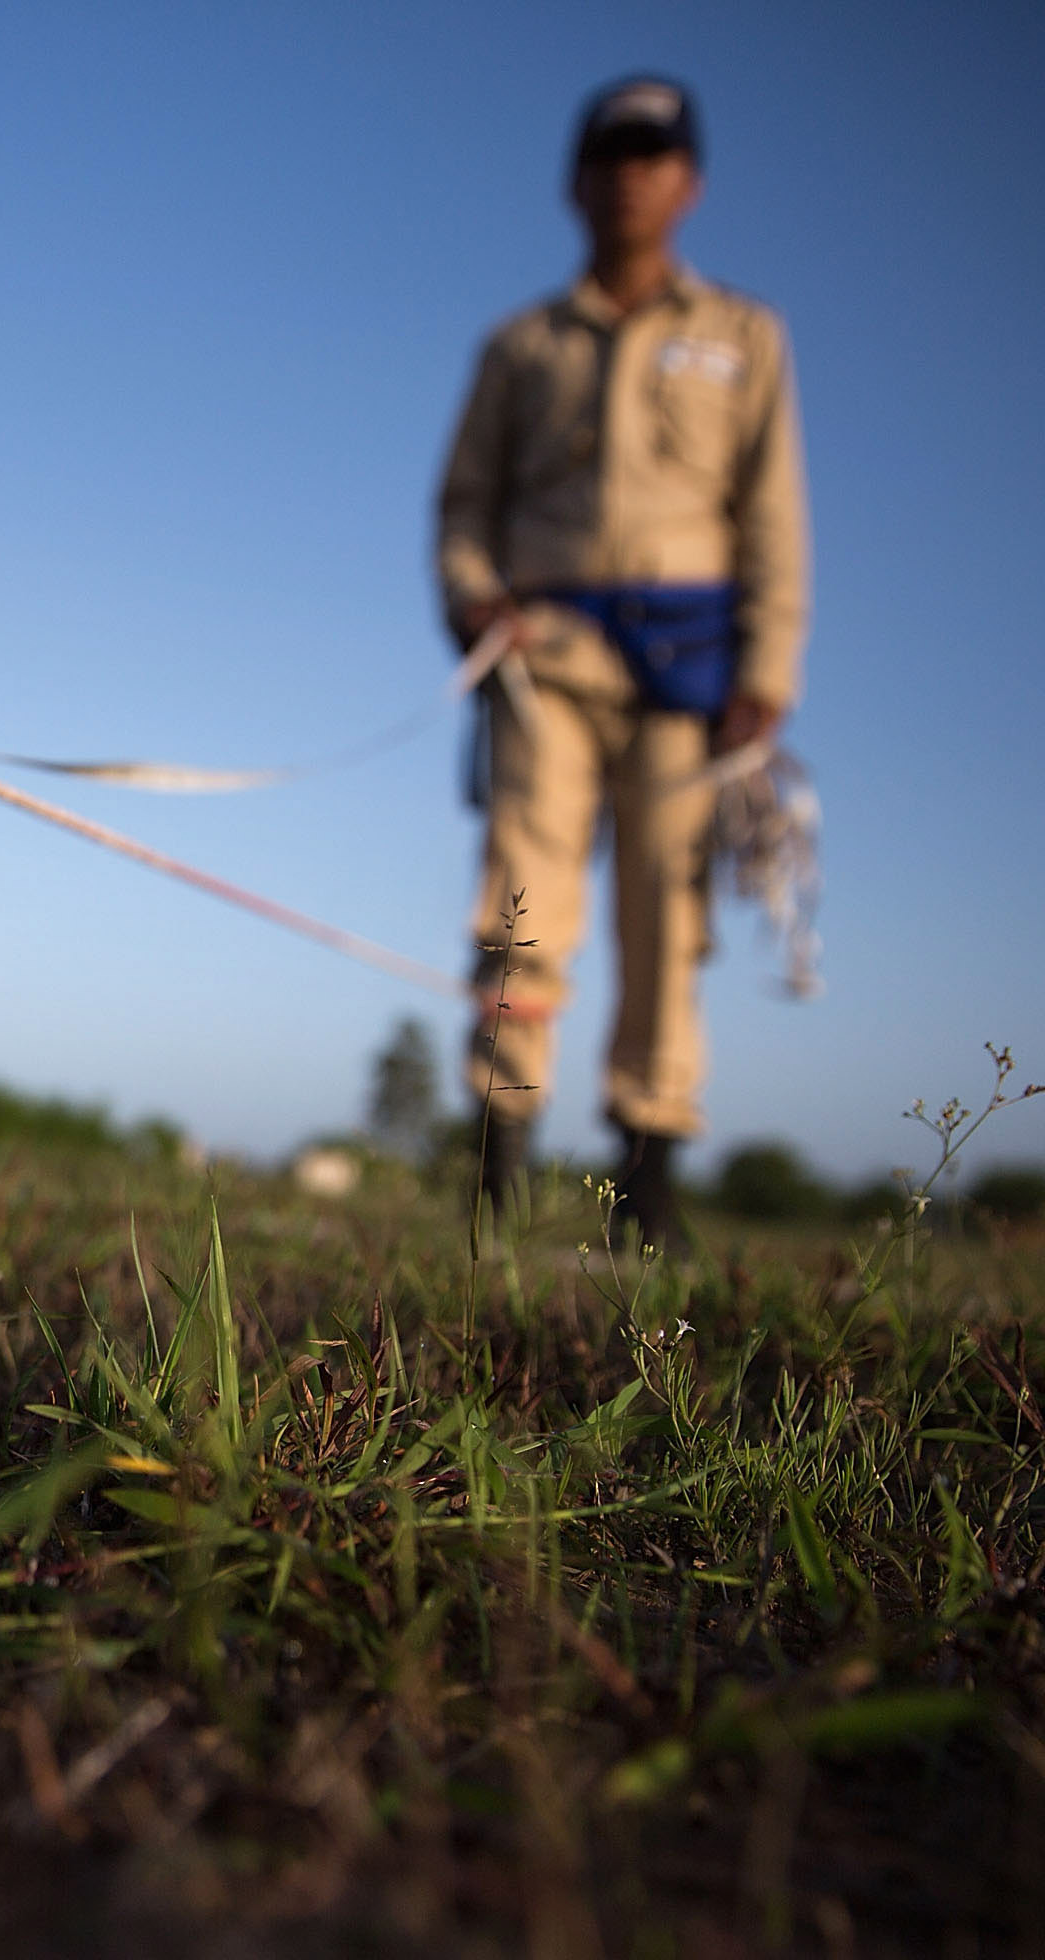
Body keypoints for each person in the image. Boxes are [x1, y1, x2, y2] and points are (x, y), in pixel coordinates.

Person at [435, 75, 809, 1247]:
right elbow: (463, 504)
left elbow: (774, 514)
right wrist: (475, 603)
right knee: (521, 901)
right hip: (542, 652)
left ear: (688, 182)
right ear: (575, 179)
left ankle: (649, 1175)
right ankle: (500, 1167)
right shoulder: (520, 346)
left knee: (668, 903)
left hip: (691, 673)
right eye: (611, 153)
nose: (631, 174)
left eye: (656, 154)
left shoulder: (745, 337)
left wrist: (768, 670)